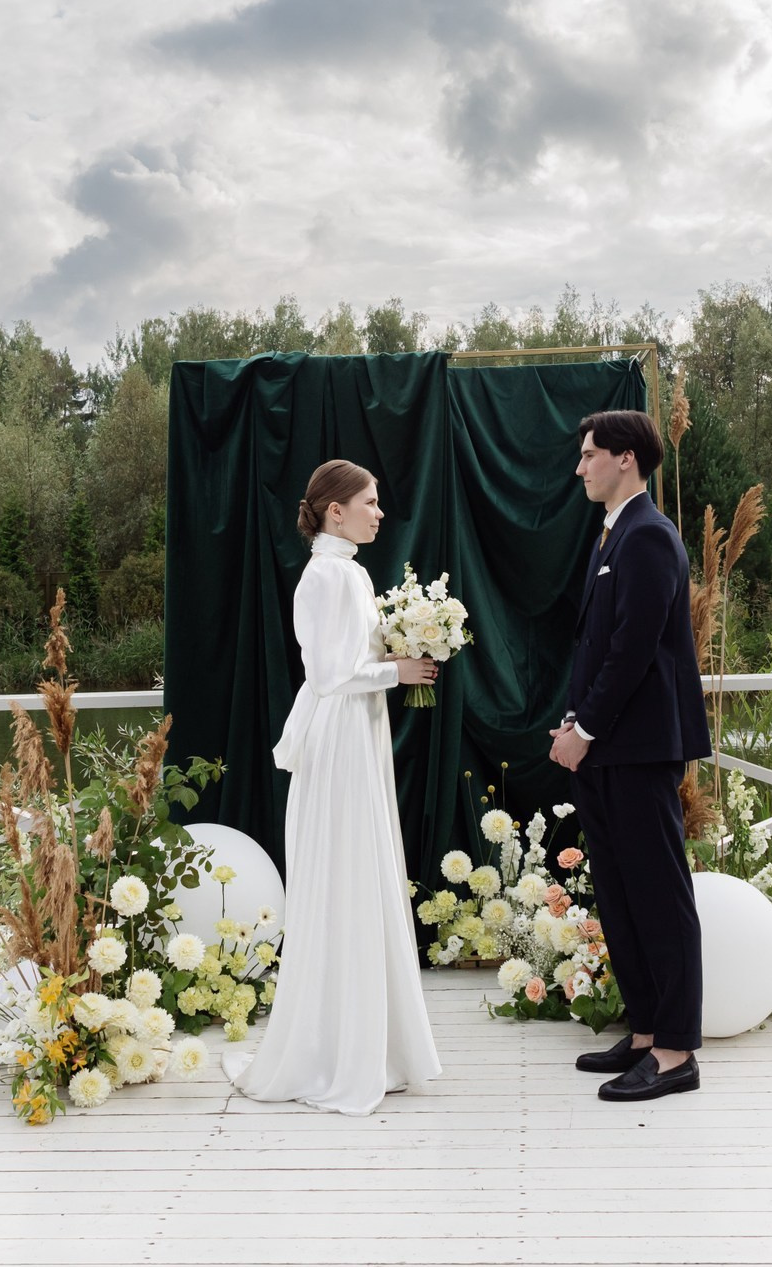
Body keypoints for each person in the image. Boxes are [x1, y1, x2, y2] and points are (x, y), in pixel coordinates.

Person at [231, 458, 444, 1115]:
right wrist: (396, 671)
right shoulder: (329, 575)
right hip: (341, 736)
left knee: (357, 876)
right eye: (370, 502)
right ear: (335, 511)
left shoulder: (345, 571)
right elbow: (328, 675)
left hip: (356, 732)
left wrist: (392, 662)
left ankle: (366, 1045)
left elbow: (348, 661)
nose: (380, 512)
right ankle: (337, 1054)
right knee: (345, 876)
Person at [550, 408, 708, 1102]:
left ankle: (675, 1053)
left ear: (626, 458)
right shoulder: (614, 532)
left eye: (590, 454)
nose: (580, 467)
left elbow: (634, 649)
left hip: (639, 748)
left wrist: (584, 728)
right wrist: (575, 720)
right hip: (607, 746)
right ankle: (645, 1032)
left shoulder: (649, 535)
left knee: (659, 898)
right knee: (619, 895)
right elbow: (595, 644)